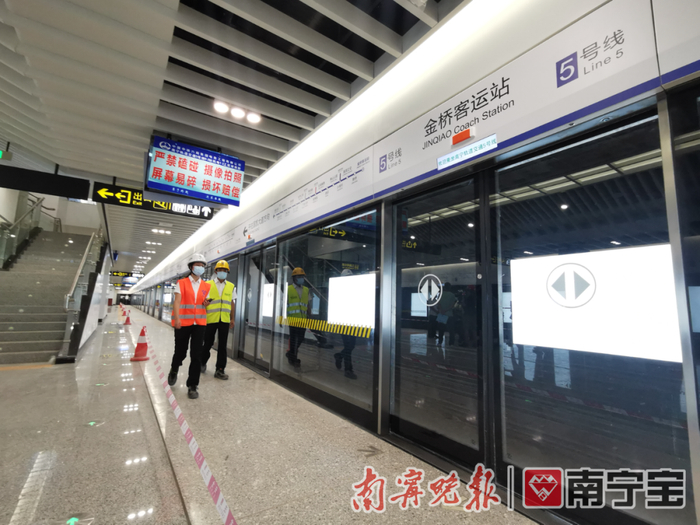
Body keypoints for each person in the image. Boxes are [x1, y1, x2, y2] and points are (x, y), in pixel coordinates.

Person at [168, 253, 211, 399]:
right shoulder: (182, 283)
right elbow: (177, 302)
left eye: (202, 266)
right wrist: (177, 318)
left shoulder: (206, 285)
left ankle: (192, 385)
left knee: (196, 355)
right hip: (183, 323)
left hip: (200, 323)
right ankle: (174, 369)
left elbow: (203, 303)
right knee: (180, 352)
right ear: (191, 267)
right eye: (198, 265)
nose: (200, 268)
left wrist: (206, 303)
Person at [201, 259, 236, 380]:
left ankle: (220, 369)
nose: (222, 272)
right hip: (210, 319)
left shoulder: (231, 286)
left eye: (225, 270)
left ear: (227, 272)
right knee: (208, 343)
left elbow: (232, 303)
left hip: (224, 320)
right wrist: (204, 304)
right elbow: (202, 301)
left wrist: (232, 318)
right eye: (220, 270)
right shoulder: (207, 284)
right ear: (216, 271)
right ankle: (202, 362)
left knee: (222, 345)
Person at [334, 269, 357, 379]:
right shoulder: (339, 292)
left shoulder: (354, 291)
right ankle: (348, 369)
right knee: (348, 345)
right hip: (343, 322)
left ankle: (339, 356)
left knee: (351, 345)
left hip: (353, 322)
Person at [286, 267, 310, 368]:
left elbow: (308, 304)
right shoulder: (289, 289)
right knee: (293, 340)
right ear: (294, 278)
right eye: (299, 276)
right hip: (293, 319)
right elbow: (284, 304)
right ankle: (294, 359)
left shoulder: (306, 290)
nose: (301, 278)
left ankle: (290, 353)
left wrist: (310, 315)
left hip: (303, 319)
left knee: (300, 338)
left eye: (302, 276)